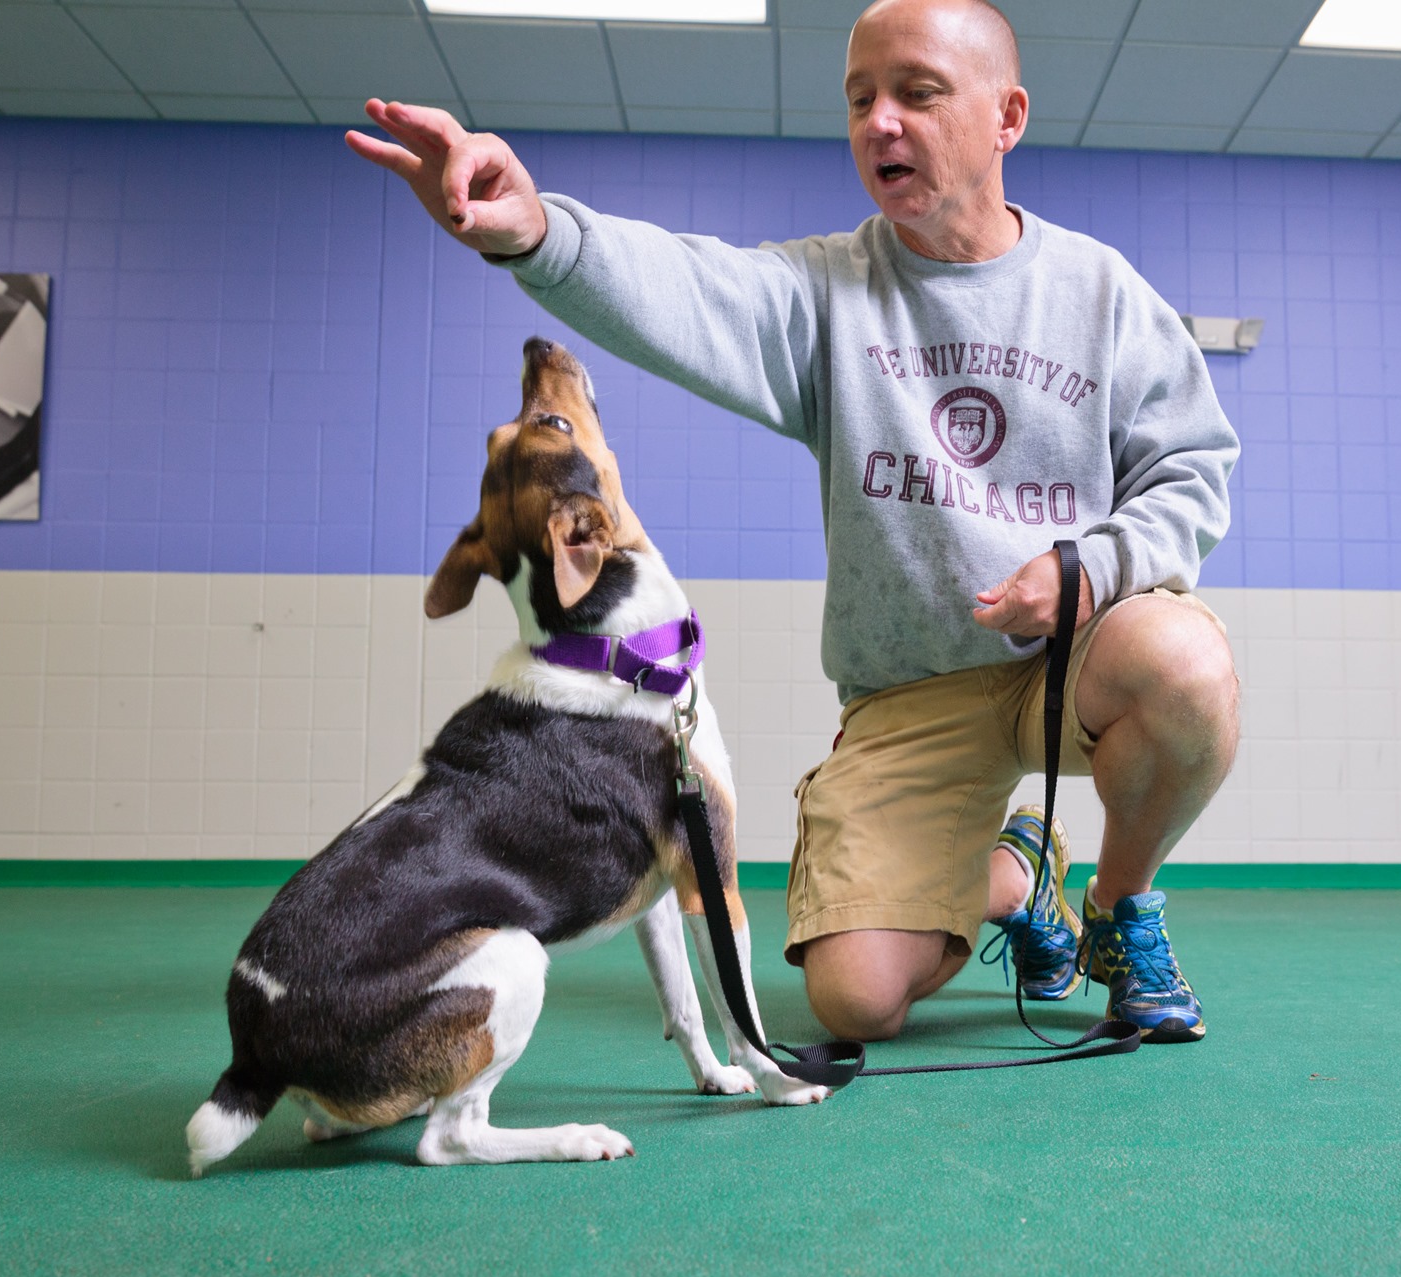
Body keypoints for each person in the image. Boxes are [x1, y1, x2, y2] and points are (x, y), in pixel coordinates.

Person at [348, 0, 1240, 1045]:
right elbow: (683, 286)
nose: (878, 124)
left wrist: (1091, 568)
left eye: (916, 92)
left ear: (1006, 117)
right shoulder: (825, 294)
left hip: (1070, 655)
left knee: (1182, 662)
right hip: (908, 695)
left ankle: (1117, 906)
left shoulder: (1099, 294)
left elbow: (1192, 469)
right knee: (855, 999)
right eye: (860, 98)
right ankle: (1016, 872)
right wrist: (537, 229)